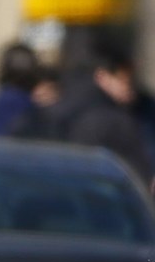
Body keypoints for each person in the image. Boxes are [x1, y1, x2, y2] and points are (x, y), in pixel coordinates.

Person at [32, 43, 155, 187]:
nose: (129, 90)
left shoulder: (59, 106)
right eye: (125, 81)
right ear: (103, 77)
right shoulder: (111, 118)